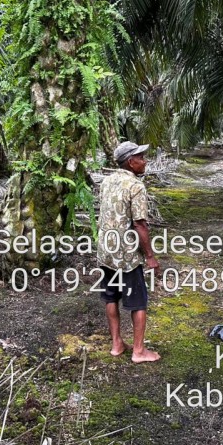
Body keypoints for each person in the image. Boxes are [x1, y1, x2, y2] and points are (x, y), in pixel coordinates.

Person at [96, 141, 162, 363]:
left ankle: (117, 345)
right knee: (139, 301)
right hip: (127, 255)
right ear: (130, 162)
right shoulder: (136, 186)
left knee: (111, 296)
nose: (145, 161)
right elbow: (140, 224)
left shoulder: (107, 181)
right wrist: (150, 257)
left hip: (106, 251)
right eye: (141, 157)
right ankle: (139, 351)